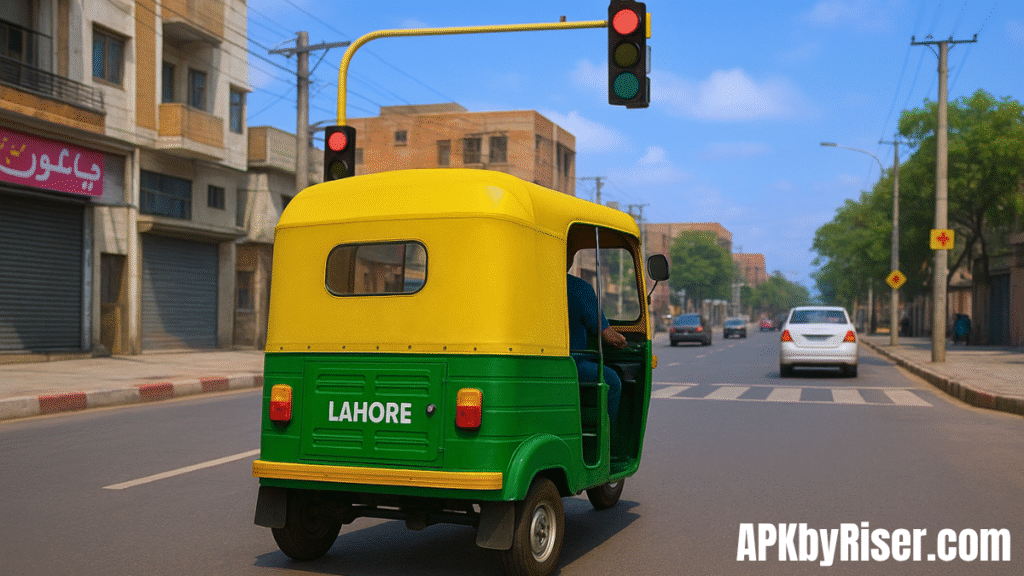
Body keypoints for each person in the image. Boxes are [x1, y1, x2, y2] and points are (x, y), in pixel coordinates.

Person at [567, 271, 627, 425]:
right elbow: (608, 335)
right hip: (571, 364)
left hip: (535, 363)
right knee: (612, 381)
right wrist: (622, 341)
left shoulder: (528, 285)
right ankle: (608, 441)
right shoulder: (578, 287)